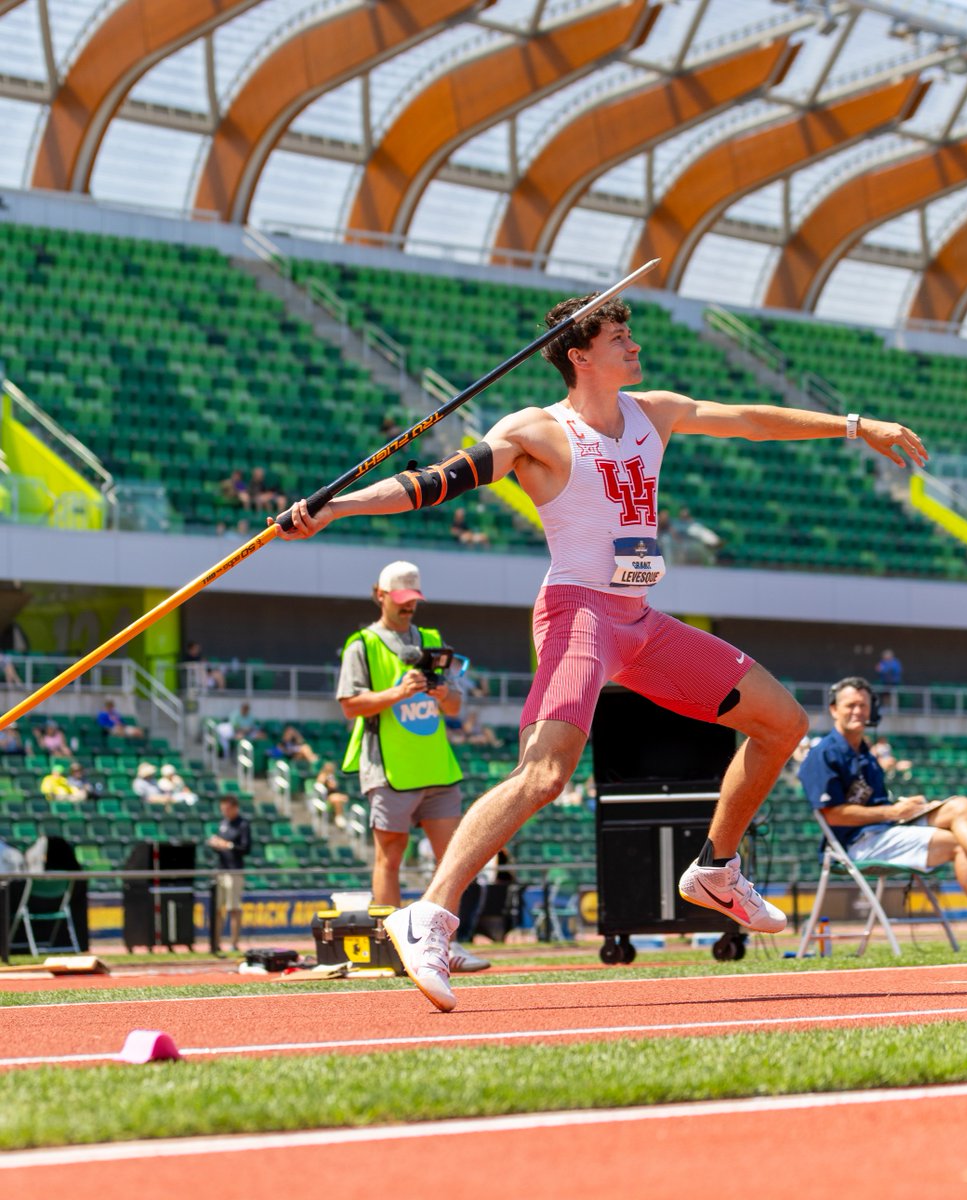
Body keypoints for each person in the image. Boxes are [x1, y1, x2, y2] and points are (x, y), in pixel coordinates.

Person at [276, 287, 927, 1010]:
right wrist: (337, 506)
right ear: (581, 355)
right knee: (545, 775)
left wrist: (854, 424)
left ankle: (715, 869)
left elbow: (749, 421)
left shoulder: (655, 412)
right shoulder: (538, 431)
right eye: (620, 335)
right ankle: (427, 915)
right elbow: (435, 482)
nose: (634, 345)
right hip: (577, 615)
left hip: (639, 622)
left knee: (781, 723)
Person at [799, 677, 967, 952]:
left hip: (885, 828)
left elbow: (877, 805)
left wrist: (907, 808)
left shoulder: (866, 752)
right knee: (957, 845)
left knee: (959, 805)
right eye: (850, 705)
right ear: (834, 709)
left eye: (863, 705)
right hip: (853, 844)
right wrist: (893, 811)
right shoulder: (823, 753)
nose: (857, 711)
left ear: (872, 710)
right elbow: (833, 815)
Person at [332, 558, 490, 974]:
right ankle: (392, 948)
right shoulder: (361, 645)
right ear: (380, 595)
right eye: (400, 600)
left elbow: (455, 705)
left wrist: (440, 693)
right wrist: (398, 691)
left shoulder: (433, 638)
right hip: (388, 768)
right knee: (390, 857)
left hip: (436, 766)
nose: (408, 608)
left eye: (413, 600)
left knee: (453, 859)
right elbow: (350, 706)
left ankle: (444, 946)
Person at [208, 795, 252, 955]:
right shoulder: (223, 823)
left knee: (233, 908)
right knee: (218, 908)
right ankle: (216, 942)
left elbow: (246, 848)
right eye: (223, 809)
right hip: (221, 869)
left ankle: (234, 942)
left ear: (234, 807)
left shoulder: (243, 824)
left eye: (227, 809)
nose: (225, 812)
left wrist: (228, 845)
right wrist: (215, 844)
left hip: (235, 870)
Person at [312, 761, 350, 829]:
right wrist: (326, 780)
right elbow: (320, 787)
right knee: (335, 798)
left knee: (339, 798)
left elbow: (334, 787)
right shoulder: (322, 776)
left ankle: (339, 817)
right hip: (324, 799)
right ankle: (339, 817)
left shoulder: (332, 777)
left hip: (332, 796)